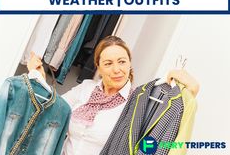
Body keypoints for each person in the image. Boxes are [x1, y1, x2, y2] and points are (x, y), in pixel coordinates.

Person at [28, 36, 200, 155]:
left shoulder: (137, 102)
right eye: (108, 63)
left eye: (122, 62)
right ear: (99, 67)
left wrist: (191, 91)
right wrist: (39, 77)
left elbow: (156, 141)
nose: (117, 69)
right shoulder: (85, 89)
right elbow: (51, 107)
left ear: (129, 63)